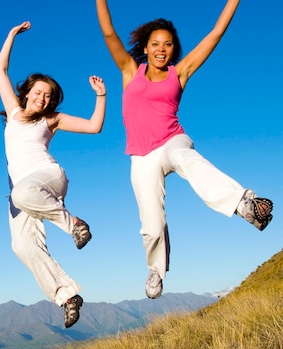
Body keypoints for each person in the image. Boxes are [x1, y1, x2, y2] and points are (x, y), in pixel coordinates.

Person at [95, 0, 273, 299]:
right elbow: (109, 33)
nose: (161, 49)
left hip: (171, 140)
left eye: (167, 44)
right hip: (141, 155)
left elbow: (215, 33)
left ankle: (243, 203)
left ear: (173, 48)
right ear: (146, 47)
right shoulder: (129, 71)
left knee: (184, 157)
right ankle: (155, 269)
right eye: (155, 44)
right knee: (152, 225)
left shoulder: (180, 73)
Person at [0, 21, 107, 328]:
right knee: (22, 246)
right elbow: (1, 71)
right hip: (23, 192)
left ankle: (75, 225)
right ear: (28, 92)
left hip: (48, 178)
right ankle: (68, 297)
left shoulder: (52, 119)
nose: (42, 99)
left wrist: (101, 96)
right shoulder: (14, 113)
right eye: (38, 93)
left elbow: (95, 127)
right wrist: (11, 35)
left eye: (48, 96)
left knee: (21, 192)